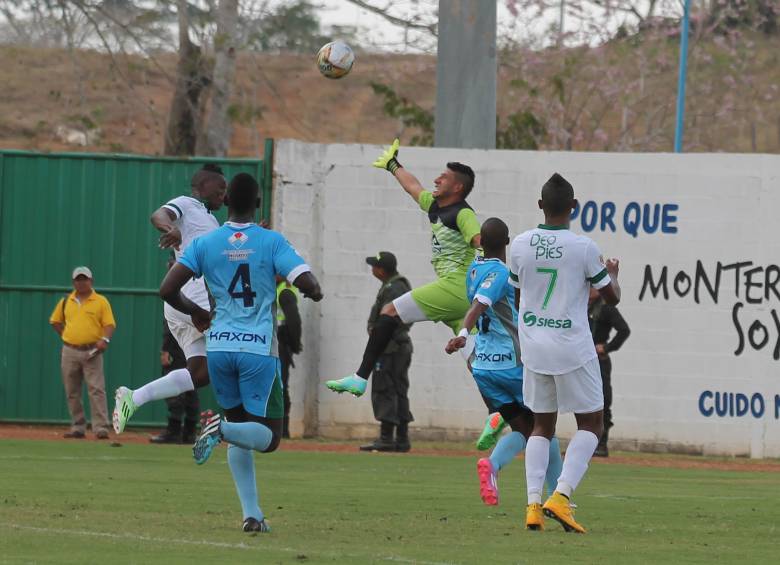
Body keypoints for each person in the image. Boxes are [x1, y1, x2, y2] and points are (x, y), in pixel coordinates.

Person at [159, 172, 323, 533]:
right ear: (258, 203)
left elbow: (167, 289)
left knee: (239, 429)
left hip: (218, 348)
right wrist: (314, 290)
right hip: (258, 350)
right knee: (269, 438)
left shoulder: (206, 243)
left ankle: (252, 515)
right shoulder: (271, 241)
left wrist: (196, 311)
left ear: (227, 201)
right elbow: (307, 282)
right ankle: (219, 429)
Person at [508, 173, 620, 534]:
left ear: (540, 205)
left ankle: (532, 505)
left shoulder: (520, 245)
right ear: (574, 206)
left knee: (542, 426)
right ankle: (561, 496)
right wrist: (612, 274)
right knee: (592, 423)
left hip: (534, 346)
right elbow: (612, 297)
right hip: (571, 346)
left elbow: (518, 295)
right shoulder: (583, 247)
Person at [326, 139, 481, 397]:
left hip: (456, 286)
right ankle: (506, 411)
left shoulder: (463, 214)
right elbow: (412, 187)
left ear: (458, 187)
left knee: (390, 311)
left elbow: (480, 241)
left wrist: (491, 276)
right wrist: (393, 165)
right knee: (480, 365)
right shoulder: (435, 205)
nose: (437, 179)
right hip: (461, 298)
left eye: (444, 177)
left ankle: (359, 377)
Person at [445, 219, 562, 506]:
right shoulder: (500, 273)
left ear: (481, 242)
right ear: (508, 242)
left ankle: (493, 465)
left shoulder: (474, 269)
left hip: (484, 368)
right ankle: (557, 499)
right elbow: (479, 305)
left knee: (525, 430)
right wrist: (462, 333)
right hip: (512, 364)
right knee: (545, 429)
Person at [113, 164, 227, 434]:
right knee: (240, 352)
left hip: (183, 306)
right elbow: (159, 215)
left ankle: (134, 397)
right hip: (195, 302)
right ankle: (239, 428)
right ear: (201, 187)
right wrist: (171, 228)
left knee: (200, 374)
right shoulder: (187, 203)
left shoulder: (213, 221)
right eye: (220, 187)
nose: (224, 193)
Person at [49, 266, 116, 440]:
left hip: (92, 351)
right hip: (69, 351)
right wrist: (66, 336)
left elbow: (109, 324)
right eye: (78, 279)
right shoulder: (66, 301)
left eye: (84, 279)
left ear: (91, 281)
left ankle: (100, 427)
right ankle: (78, 427)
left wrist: (105, 340)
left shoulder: (100, 301)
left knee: (96, 389)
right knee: (72, 390)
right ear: (73, 282)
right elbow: (55, 321)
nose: (81, 282)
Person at [359, 251, 414, 453]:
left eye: (375, 265)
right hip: (396, 346)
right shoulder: (394, 286)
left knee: (385, 389)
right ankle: (401, 439)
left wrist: (379, 335)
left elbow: (393, 320)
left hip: (391, 347)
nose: (372, 269)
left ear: (381, 270)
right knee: (398, 390)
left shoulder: (394, 288)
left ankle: (387, 438)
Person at [150, 254, 200, 444]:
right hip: (192, 343)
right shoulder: (195, 286)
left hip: (179, 345)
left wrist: (166, 349)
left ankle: (174, 430)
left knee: (177, 386)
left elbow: (170, 326)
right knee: (191, 383)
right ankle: (189, 431)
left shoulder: (176, 289)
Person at [588, 287, 630, 457]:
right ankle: (586, 444)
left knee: (603, 399)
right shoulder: (581, 305)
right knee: (584, 401)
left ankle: (601, 443)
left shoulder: (606, 308)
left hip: (599, 360)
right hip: (583, 360)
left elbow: (624, 330)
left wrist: (606, 347)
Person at [276, 275, 302, 438]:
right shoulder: (275, 289)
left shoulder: (284, 291)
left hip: (279, 342)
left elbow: (294, 320)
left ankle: (282, 429)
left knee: (280, 384)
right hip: (272, 341)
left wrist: (295, 344)